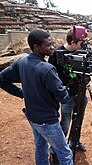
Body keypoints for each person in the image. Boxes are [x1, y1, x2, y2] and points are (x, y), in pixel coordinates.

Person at [0, 29, 73, 165]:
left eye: (52, 44)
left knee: (41, 147)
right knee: (65, 153)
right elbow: (63, 98)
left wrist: (21, 93)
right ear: (36, 47)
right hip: (48, 120)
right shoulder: (47, 69)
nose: (52, 47)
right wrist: (67, 88)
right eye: (48, 45)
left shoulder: (22, 61)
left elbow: (2, 78)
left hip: (32, 116)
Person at [48, 28, 91, 159]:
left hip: (81, 92)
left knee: (79, 120)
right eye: (81, 41)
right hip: (66, 95)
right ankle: (57, 149)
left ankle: (75, 141)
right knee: (65, 122)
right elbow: (51, 74)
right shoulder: (57, 53)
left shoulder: (84, 51)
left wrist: (87, 81)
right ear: (73, 42)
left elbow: (88, 69)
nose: (84, 44)